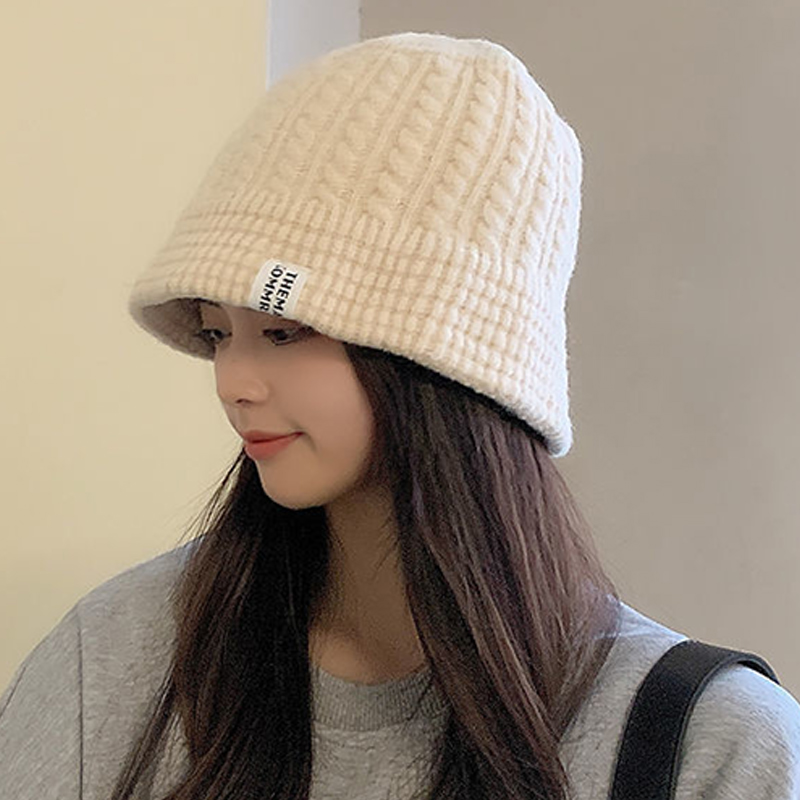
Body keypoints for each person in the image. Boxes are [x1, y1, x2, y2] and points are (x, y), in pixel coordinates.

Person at [1, 31, 799, 800]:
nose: (233, 382)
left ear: (445, 361)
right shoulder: (118, 655)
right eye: (218, 333)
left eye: (282, 331)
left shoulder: (711, 745)